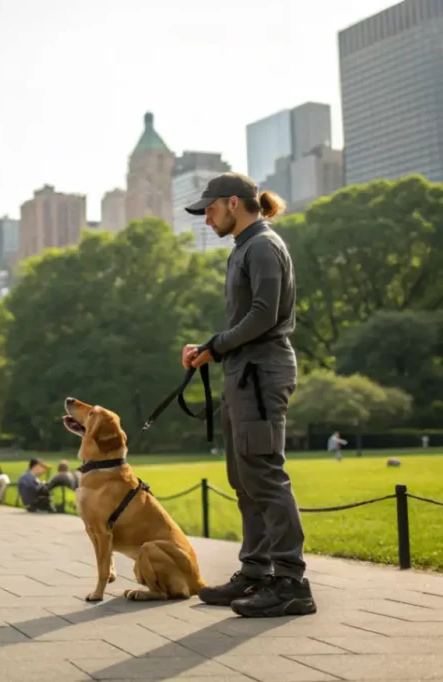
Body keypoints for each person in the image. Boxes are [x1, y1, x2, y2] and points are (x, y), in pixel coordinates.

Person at [181, 172, 316, 618]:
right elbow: (250, 319)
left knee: (265, 476)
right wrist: (211, 349)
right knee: (244, 479)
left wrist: (215, 345)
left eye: (210, 210)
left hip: (262, 373)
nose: (206, 219)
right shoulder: (245, 247)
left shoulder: (261, 246)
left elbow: (265, 314)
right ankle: (256, 572)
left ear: (234, 203)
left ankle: (292, 583)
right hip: (244, 374)